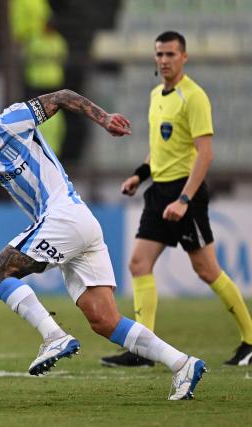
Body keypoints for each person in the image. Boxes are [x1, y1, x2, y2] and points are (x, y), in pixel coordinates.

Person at [0, 80, 206, 400]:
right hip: (75, 223)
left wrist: (104, 119)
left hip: (65, 216)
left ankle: (53, 336)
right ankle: (183, 363)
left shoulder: (12, 120)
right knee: (104, 320)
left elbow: (62, 97)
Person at [101, 31, 252, 368]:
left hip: (187, 192)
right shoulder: (156, 95)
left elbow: (205, 154)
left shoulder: (193, 97)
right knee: (139, 263)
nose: (164, 60)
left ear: (184, 57)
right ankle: (143, 349)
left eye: (171, 54)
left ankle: (251, 339)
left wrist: (184, 199)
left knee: (206, 269)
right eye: (160, 54)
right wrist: (139, 176)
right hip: (159, 193)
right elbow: (159, 150)